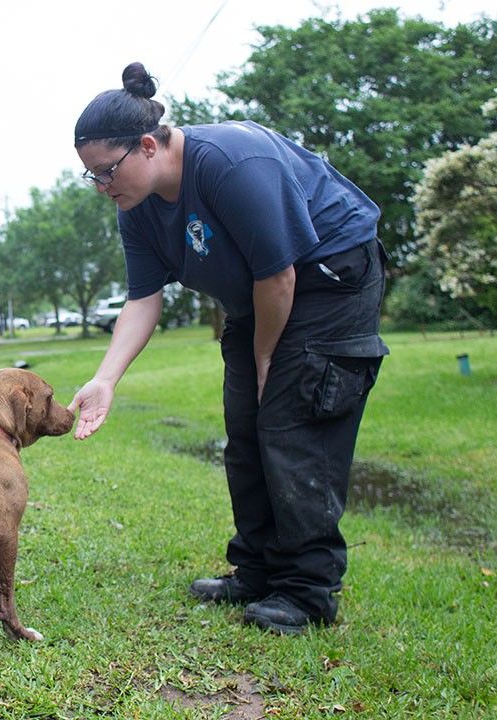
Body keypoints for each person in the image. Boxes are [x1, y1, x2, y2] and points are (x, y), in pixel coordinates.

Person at [68, 63, 388, 635]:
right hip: (259, 296)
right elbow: (143, 299)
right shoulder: (136, 205)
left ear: (147, 145)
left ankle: (308, 591)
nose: (101, 186)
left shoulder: (229, 162)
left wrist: (267, 358)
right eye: (89, 176)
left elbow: (280, 276)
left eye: (106, 171)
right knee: (245, 427)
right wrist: (107, 378)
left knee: (292, 421)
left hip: (327, 278)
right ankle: (258, 570)